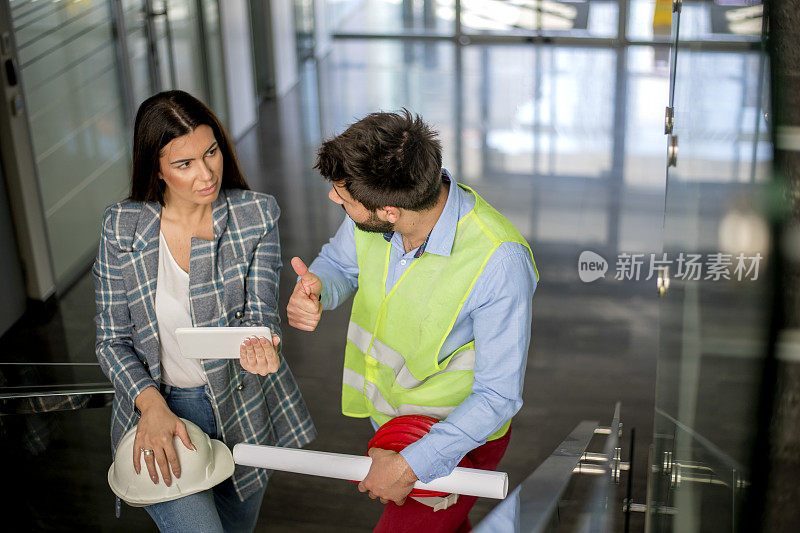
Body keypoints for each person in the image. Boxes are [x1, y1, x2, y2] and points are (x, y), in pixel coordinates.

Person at [287, 109, 538, 532]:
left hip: (455, 440)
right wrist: (318, 289)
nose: (335, 200)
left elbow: (497, 396)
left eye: (342, 198)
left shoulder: (499, 260)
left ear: (389, 212)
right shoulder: (381, 210)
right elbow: (340, 265)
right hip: (392, 422)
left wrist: (410, 465)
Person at [93, 90, 315, 533]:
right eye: (184, 164)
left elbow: (261, 313)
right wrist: (151, 404)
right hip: (160, 412)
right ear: (155, 169)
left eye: (210, 151)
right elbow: (111, 340)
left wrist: (264, 344)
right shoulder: (122, 227)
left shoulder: (255, 215)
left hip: (243, 408)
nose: (206, 172)